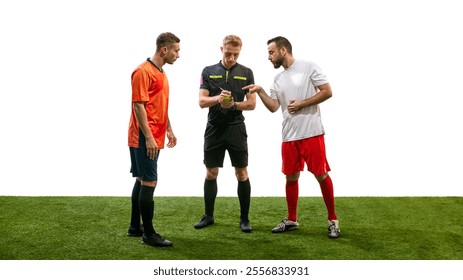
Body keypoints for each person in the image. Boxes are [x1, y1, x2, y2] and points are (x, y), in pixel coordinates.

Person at [243, 36, 340, 238]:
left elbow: (327, 91)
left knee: (321, 175)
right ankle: (292, 219)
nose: (269, 57)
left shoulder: (308, 67)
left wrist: (302, 103)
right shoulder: (278, 79)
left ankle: (333, 220)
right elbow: (273, 107)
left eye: (271, 52)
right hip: (289, 136)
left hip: (312, 133)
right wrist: (260, 91)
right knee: (291, 177)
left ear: (283, 50)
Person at [194, 35, 256, 233]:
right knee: (211, 172)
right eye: (228, 53)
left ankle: (244, 219)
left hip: (236, 128)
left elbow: (252, 104)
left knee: (242, 173)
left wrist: (234, 105)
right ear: (221, 49)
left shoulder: (246, 72)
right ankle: (208, 215)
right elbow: (202, 102)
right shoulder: (208, 71)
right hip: (214, 128)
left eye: (235, 55)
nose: (231, 58)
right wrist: (218, 99)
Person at [127, 32, 180, 247]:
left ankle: (134, 227)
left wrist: (169, 129)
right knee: (149, 181)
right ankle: (148, 234)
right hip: (143, 136)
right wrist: (148, 138)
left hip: (155, 135)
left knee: (141, 179)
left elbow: (159, 104)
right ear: (164, 50)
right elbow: (138, 105)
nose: (178, 55)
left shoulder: (161, 73)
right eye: (176, 50)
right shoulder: (142, 71)